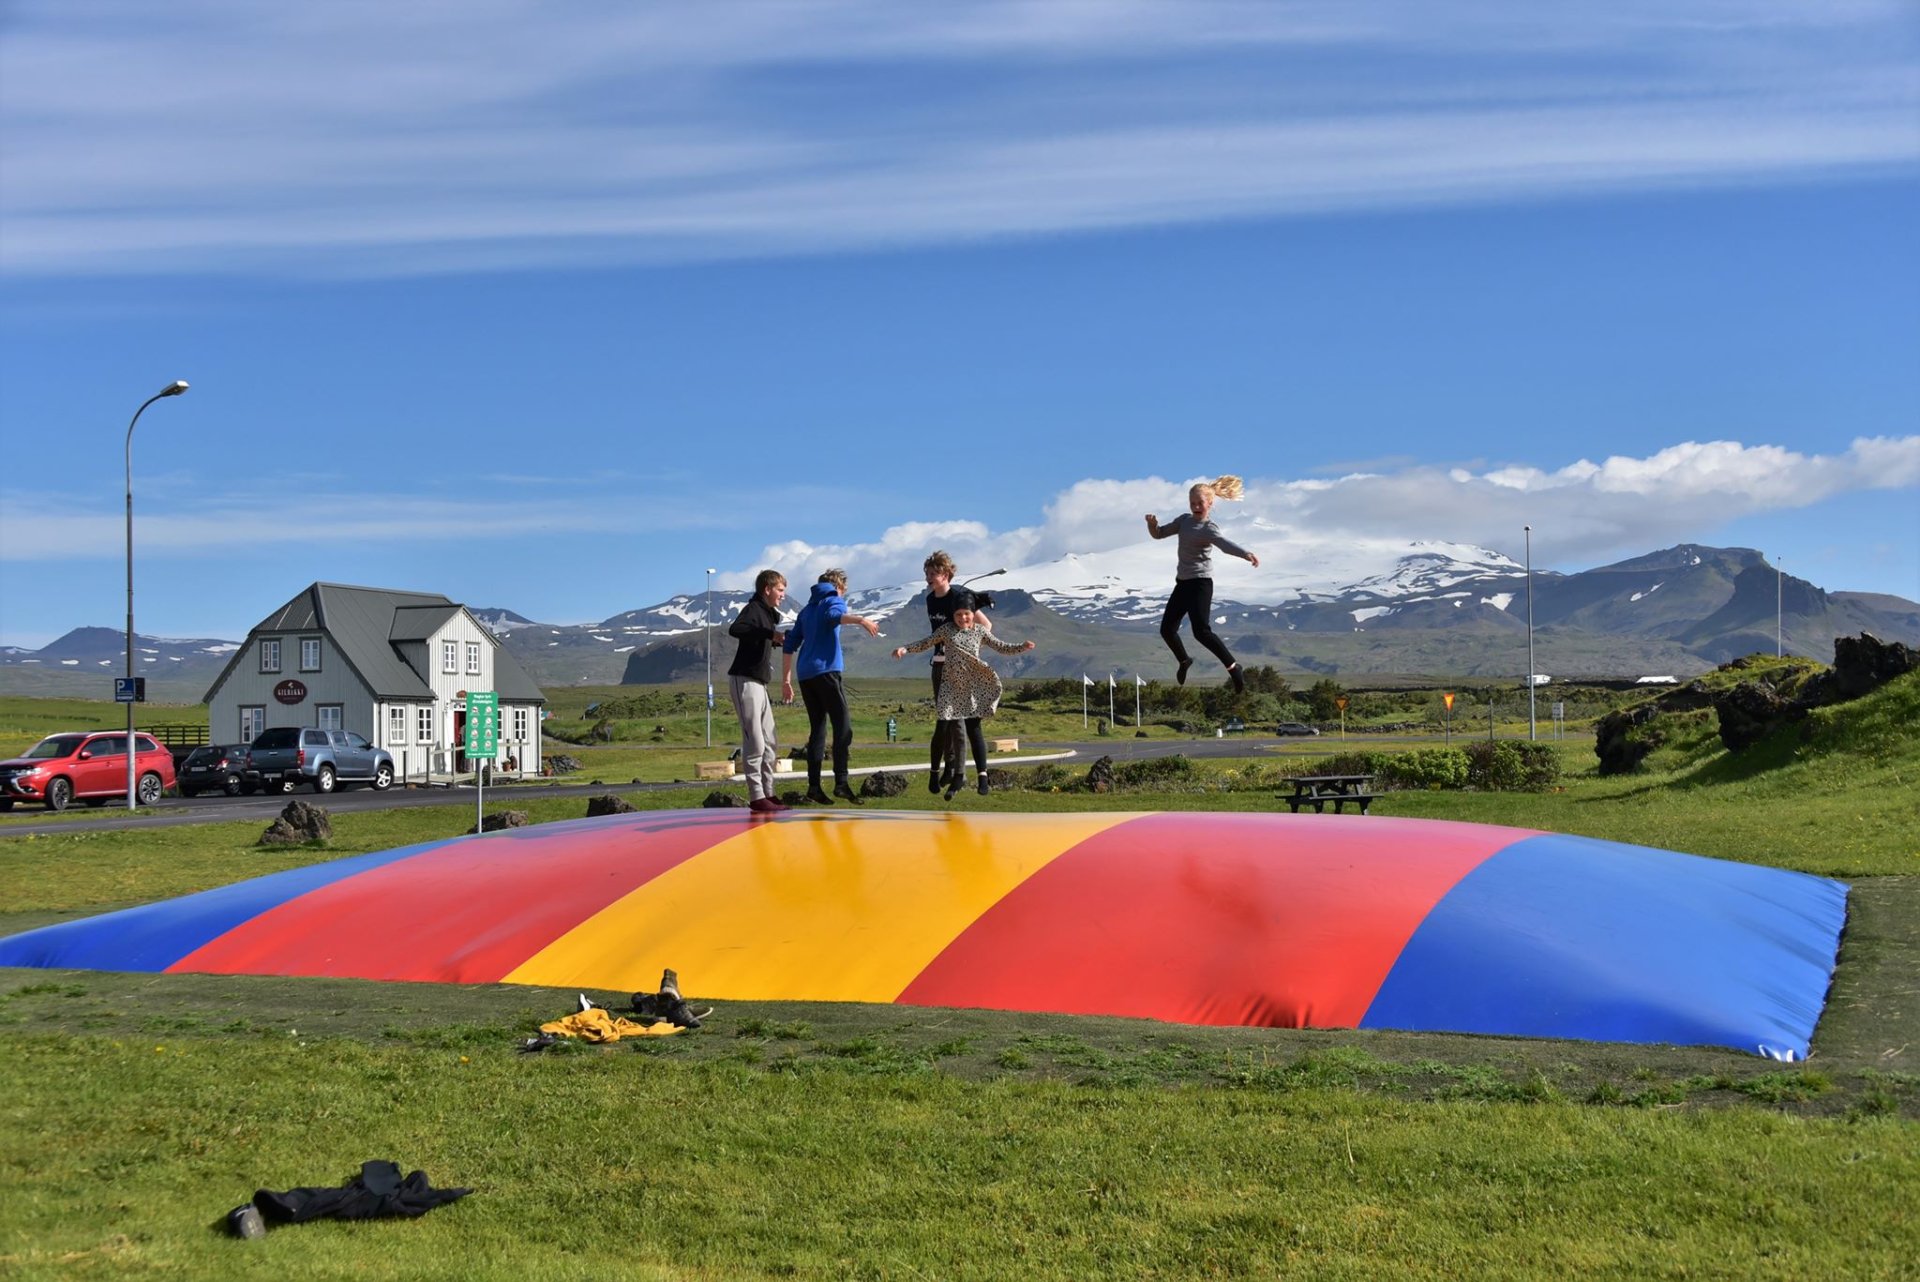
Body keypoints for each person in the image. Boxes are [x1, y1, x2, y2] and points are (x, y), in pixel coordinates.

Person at [892, 600, 1034, 800]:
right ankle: (934, 774)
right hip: (950, 686)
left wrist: (1022, 647)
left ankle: (982, 776)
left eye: (966, 614)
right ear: (953, 616)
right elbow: (926, 642)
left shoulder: (980, 631)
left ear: (973, 614)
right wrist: (905, 649)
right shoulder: (946, 630)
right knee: (941, 728)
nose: (962, 618)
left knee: (974, 729)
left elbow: (1001, 646)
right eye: (958, 615)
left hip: (972, 686)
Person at [1144, 474, 1260, 693]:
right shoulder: (1183, 521)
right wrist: (1152, 525)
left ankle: (1233, 667)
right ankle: (1184, 660)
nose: (1196, 507)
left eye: (1200, 503)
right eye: (1192, 503)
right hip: (1182, 584)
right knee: (1167, 630)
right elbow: (1159, 534)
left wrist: (1245, 554)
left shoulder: (1209, 528)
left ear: (1210, 503)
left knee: (1201, 632)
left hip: (1200, 584)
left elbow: (1225, 545)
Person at [781, 569, 881, 805]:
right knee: (843, 727)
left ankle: (814, 787)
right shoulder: (833, 600)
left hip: (805, 675)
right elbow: (835, 616)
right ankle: (841, 783)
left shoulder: (806, 611)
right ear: (839, 587)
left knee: (818, 729)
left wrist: (786, 681)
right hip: (826, 671)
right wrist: (862, 620)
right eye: (843, 591)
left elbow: (789, 644)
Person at [918, 550, 992, 795]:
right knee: (945, 721)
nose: (929, 577)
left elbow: (985, 625)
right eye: (927, 573)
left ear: (946, 574)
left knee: (960, 722)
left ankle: (960, 773)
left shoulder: (958, 596)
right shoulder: (930, 599)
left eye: (934, 573)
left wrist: (970, 650)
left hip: (960, 666)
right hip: (939, 664)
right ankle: (949, 767)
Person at [726, 569, 788, 814]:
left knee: (770, 740)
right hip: (745, 680)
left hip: (760, 683)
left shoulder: (767, 615)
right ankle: (756, 796)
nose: (783, 595)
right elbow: (737, 629)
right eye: (780, 590)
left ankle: (769, 793)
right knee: (755, 740)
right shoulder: (754, 609)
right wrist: (769, 634)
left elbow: (757, 638)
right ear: (767, 589)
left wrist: (774, 639)